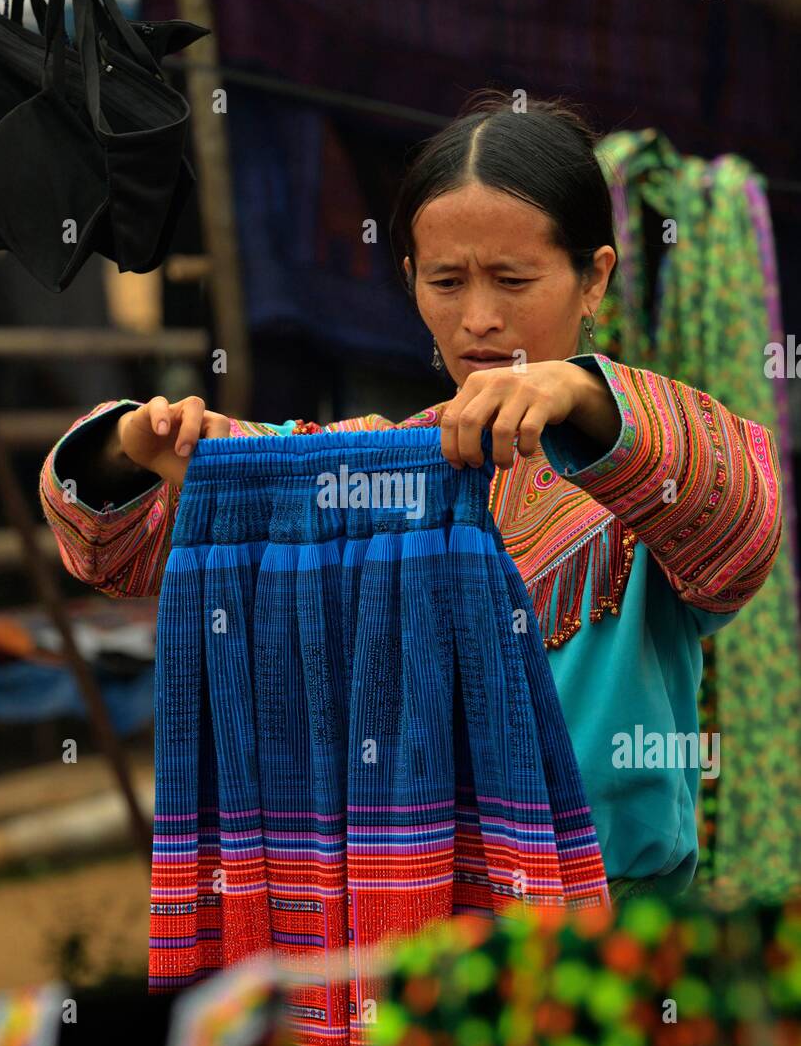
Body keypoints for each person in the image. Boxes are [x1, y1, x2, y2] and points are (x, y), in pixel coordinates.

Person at [40, 94, 782, 911]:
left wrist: (574, 390)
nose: (481, 319)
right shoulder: (375, 469)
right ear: (410, 283)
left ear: (594, 277)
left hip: (613, 931)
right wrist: (136, 446)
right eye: (446, 282)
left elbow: (743, 526)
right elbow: (115, 548)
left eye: (513, 279)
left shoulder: (641, 455)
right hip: (406, 928)